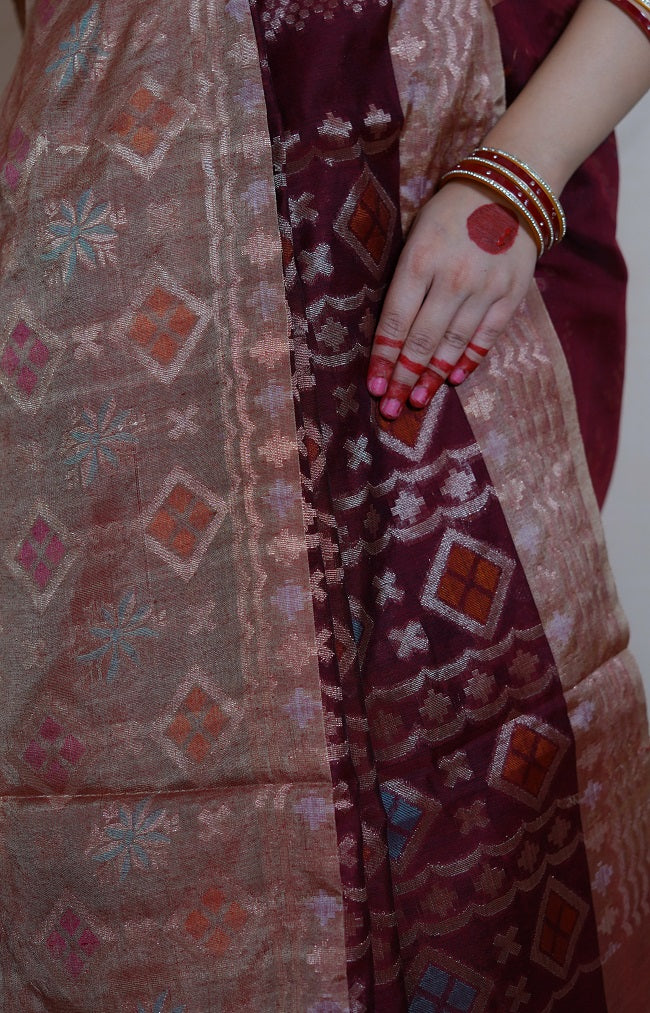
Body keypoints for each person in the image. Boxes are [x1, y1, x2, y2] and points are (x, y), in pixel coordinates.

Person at [0, 0, 648, 1009]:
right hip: (114, 326)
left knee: (483, 792)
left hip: (443, 266)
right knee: (139, 820)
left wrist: (520, 175)